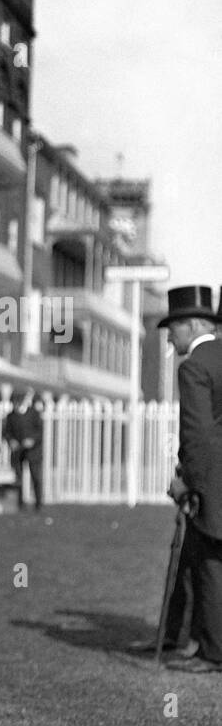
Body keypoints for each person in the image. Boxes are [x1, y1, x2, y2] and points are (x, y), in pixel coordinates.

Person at [158, 286, 222, 673]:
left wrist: (188, 483)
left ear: (196, 324)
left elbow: (196, 434)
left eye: (174, 327)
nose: (169, 337)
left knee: (210, 566)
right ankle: (182, 636)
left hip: (212, 482)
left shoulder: (195, 366)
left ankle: (212, 653)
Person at [3, 389, 44, 510]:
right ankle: (20, 503)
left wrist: (32, 440)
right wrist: (11, 441)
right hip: (18, 452)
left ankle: (38, 503)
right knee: (18, 477)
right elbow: (6, 432)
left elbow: (40, 432)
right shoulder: (11, 416)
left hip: (33, 452)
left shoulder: (34, 413)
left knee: (36, 477)